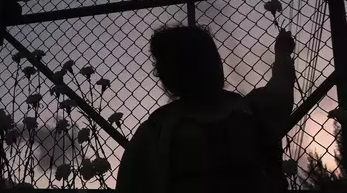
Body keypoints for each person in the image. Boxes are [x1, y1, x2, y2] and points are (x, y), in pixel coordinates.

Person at [116, 25, 296, 193]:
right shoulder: (251, 111)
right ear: (215, 64)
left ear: (166, 78)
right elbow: (281, 88)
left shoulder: (153, 131)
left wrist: (282, 53)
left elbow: (129, 182)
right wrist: (282, 53)